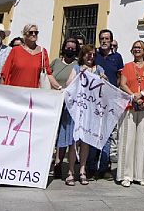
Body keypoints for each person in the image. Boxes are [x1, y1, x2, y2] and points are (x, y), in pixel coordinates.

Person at [58, 44, 103, 186]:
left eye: (93, 54)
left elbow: (104, 87)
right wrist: (80, 74)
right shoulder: (77, 68)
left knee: (86, 141)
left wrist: (103, 78)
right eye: (88, 54)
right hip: (77, 110)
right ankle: (71, 171)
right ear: (83, 55)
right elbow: (69, 84)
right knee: (73, 141)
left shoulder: (99, 69)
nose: (91, 57)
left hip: (90, 111)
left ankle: (82, 170)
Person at [117, 41, 144, 187]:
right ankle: (126, 175)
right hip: (129, 106)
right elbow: (123, 83)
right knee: (128, 140)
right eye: (135, 48)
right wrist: (133, 95)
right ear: (132, 50)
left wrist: (142, 93)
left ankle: (140, 175)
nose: (137, 50)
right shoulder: (127, 66)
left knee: (142, 141)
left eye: (140, 48)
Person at [90, 29, 123, 180]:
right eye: (102, 38)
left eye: (107, 39)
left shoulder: (117, 57)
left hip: (110, 101)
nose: (104, 41)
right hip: (94, 101)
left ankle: (105, 167)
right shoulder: (94, 55)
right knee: (92, 133)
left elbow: (119, 78)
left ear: (111, 41)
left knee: (108, 135)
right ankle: (91, 168)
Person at [52, 38, 81, 178]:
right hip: (54, 101)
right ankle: (52, 161)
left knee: (64, 134)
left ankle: (58, 163)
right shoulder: (56, 62)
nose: (70, 50)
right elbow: (48, 75)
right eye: (68, 47)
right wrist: (58, 87)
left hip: (69, 105)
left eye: (73, 48)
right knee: (53, 133)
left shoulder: (77, 65)